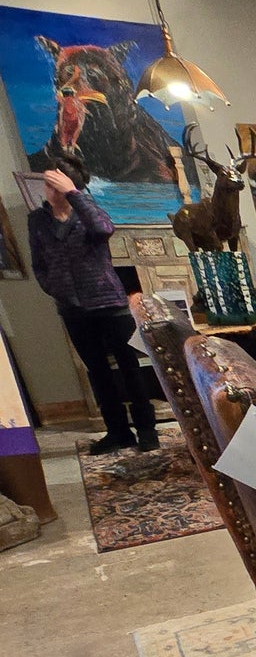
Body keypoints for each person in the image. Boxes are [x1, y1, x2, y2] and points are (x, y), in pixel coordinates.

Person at [27, 155, 158, 453]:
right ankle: (118, 432)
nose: (49, 190)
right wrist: (53, 288)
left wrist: (74, 194)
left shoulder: (90, 212)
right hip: (72, 309)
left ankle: (147, 430)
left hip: (109, 304)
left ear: (69, 184)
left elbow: (103, 230)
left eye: (55, 184)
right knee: (98, 372)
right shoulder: (37, 220)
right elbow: (38, 263)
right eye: (48, 184)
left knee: (129, 367)